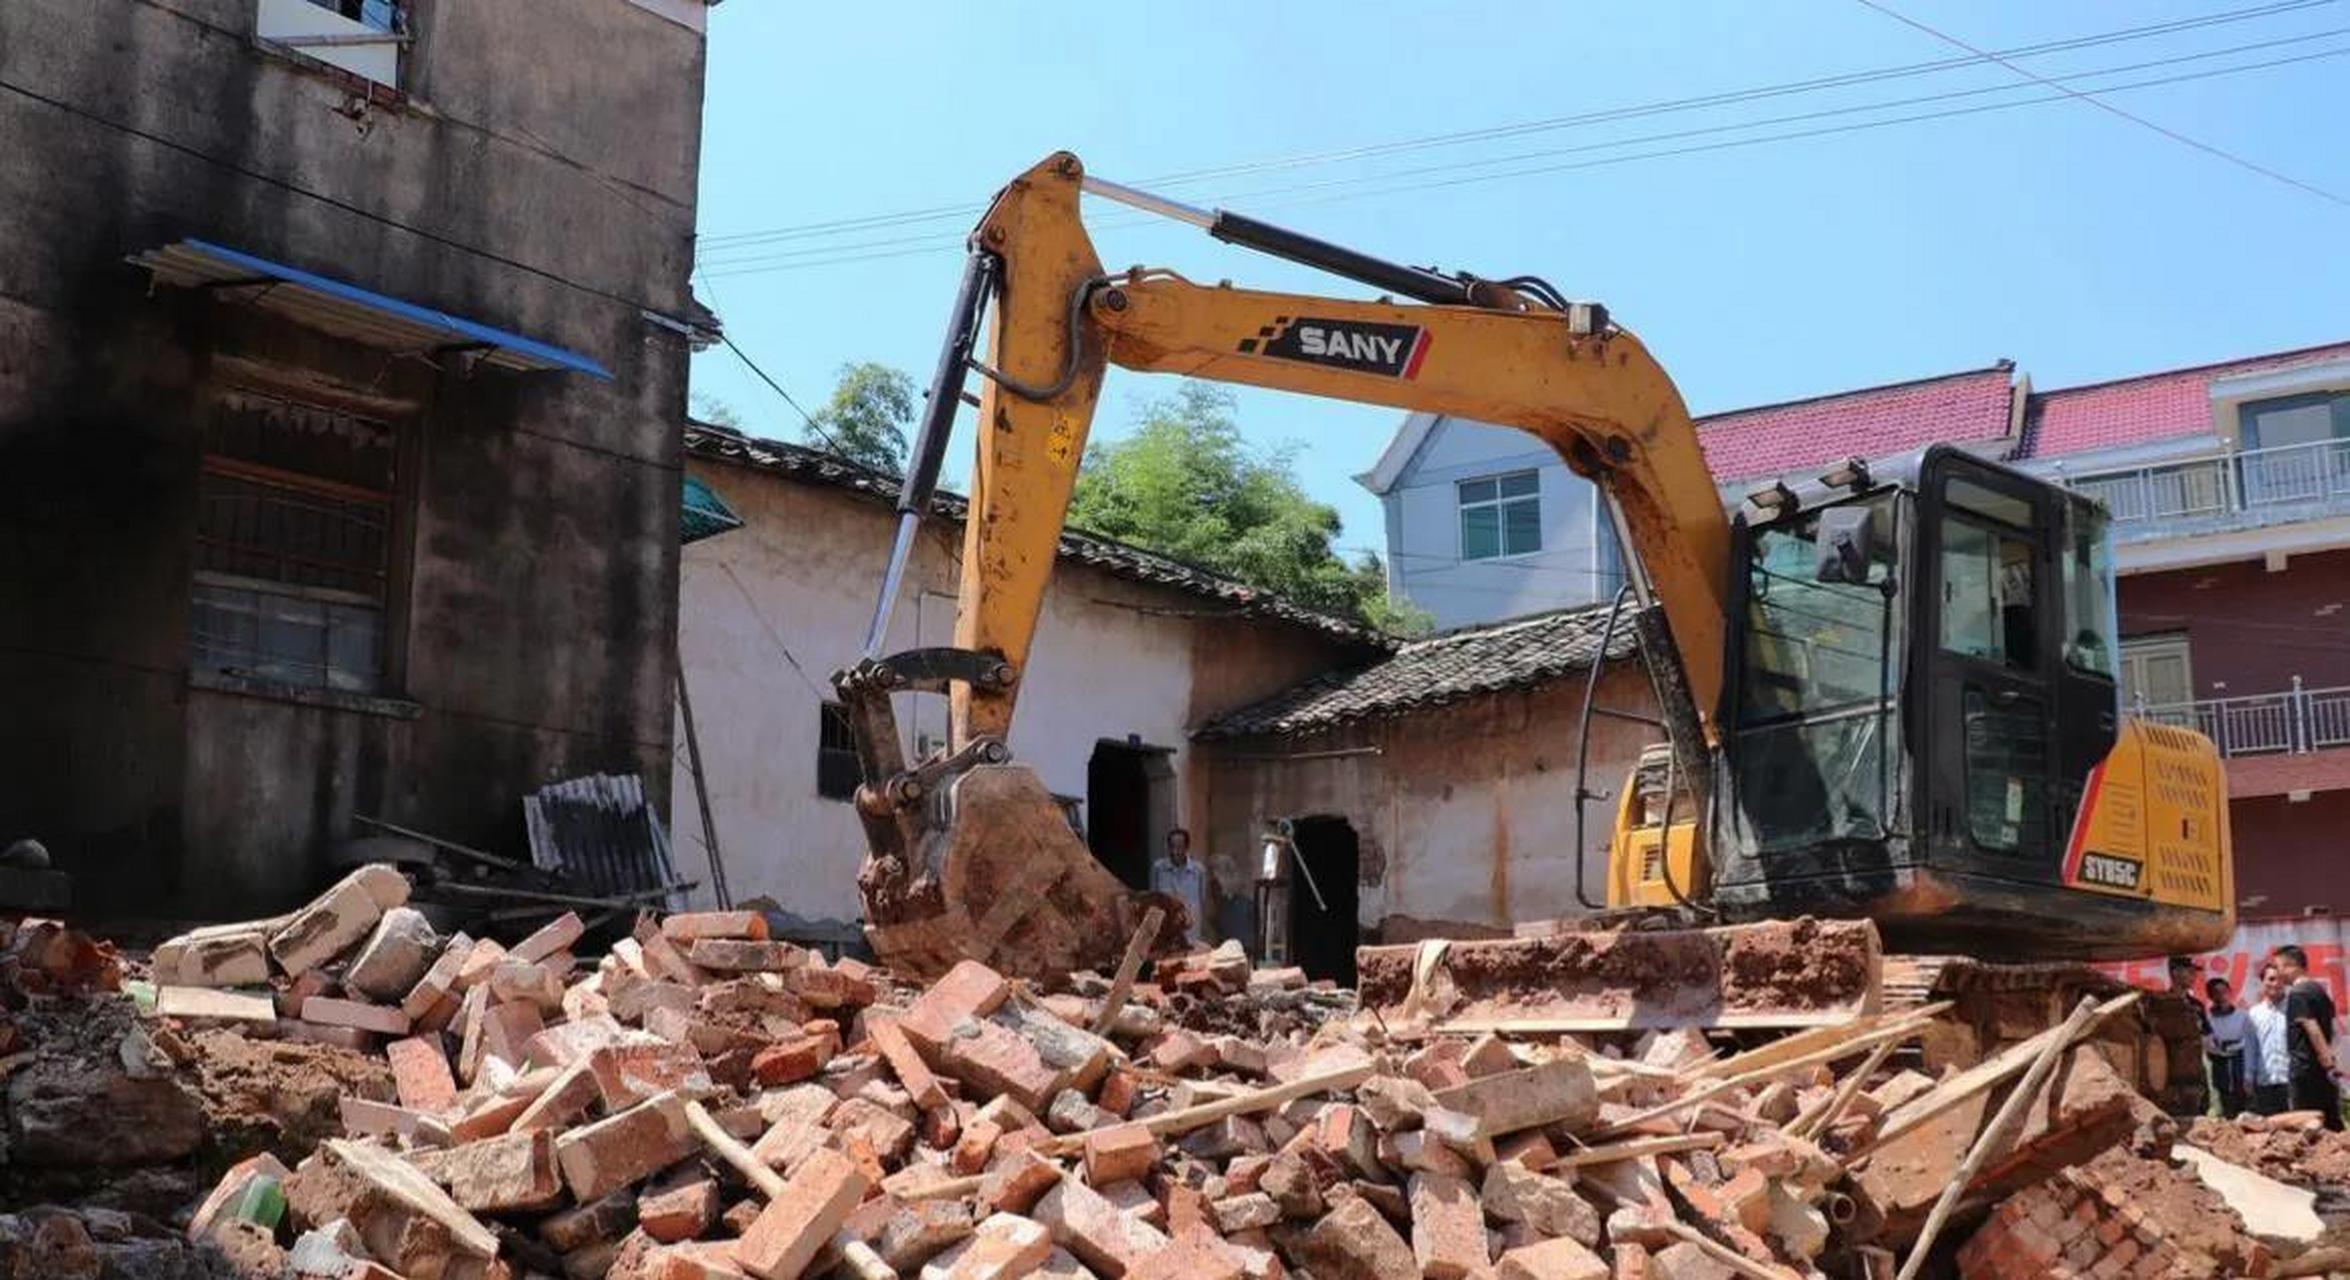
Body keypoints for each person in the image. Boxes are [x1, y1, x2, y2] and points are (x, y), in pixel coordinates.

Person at [2271, 944, 2344, 1131]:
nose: (2278, 973)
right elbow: (2334, 1029)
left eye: (2279, 967)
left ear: (2291, 966)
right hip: (2322, 1070)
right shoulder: (2318, 991)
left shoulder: (2299, 993)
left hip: (2305, 1069)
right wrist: (2330, 1064)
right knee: (2331, 1120)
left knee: (2304, 1122)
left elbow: (2312, 1028)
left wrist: (2326, 1061)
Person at [2244, 961, 2294, 1117]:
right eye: (2271, 979)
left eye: (2280, 979)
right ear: (2263, 982)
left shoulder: (2295, 1008)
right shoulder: (2254, 1013)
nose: (2276, 983)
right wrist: (2248, 1076)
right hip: (2265, 1082)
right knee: (2268, 1130)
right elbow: (2250, 1048)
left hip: (2292, 1081)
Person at [1150, 827, 1214, 945]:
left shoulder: (1198, 871)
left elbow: (1203, 901)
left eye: (1179, 847)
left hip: (1192, 930)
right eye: (1172, 847)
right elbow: (1153, 900)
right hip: (1167, 929)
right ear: (1168, 848)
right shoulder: (1158, 869)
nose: (1176, 851)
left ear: (1186, 847)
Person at [2203, 976, 2249, 1118]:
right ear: (2210, 996)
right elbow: (2206, 1041)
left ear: (2230, 992)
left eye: (2224, 991)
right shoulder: (2207, 1018)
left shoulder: (2242, 1015)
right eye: (2216, 992)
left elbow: (2248, 1039)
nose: (2221, 996)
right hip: (2217, 1062)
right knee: (2220, 1095)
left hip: (2239, 1061)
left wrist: (2233, 1046)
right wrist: (2218, 1049)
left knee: (2241, 1097)